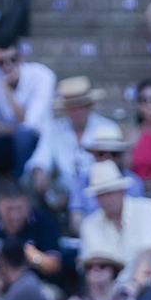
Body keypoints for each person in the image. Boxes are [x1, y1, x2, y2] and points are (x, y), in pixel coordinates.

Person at [0, 37, 55, 207]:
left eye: (12, 59)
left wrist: (7, 91)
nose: (7, 66)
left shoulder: (43, 76)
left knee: (24, 136)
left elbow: (29, 123)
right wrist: (12, 129)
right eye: (1, 62)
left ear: (21, 58)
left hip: (35, 145)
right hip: (5, 141)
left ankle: (20, 196)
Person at [24, 77, 122, 223]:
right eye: (71, 106)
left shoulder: (107, 128)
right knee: (28, 181)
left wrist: (76, 195)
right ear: (65, 109)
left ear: (90, 105)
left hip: (97, 189)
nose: (76, 111)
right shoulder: (54, 129)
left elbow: (113, 167)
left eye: (80, 106)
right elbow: (40, 158)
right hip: (62, 191)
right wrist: (40, 171)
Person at [77, 161, 151, 285]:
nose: (106, 199)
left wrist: (134, 287)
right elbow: (94, 266)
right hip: (108, 292)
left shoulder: (148, 208)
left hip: (148, 287)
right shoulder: (89, 225)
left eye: (109, 192)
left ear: (122, 190)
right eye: (101, 195)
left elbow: (148, 254)